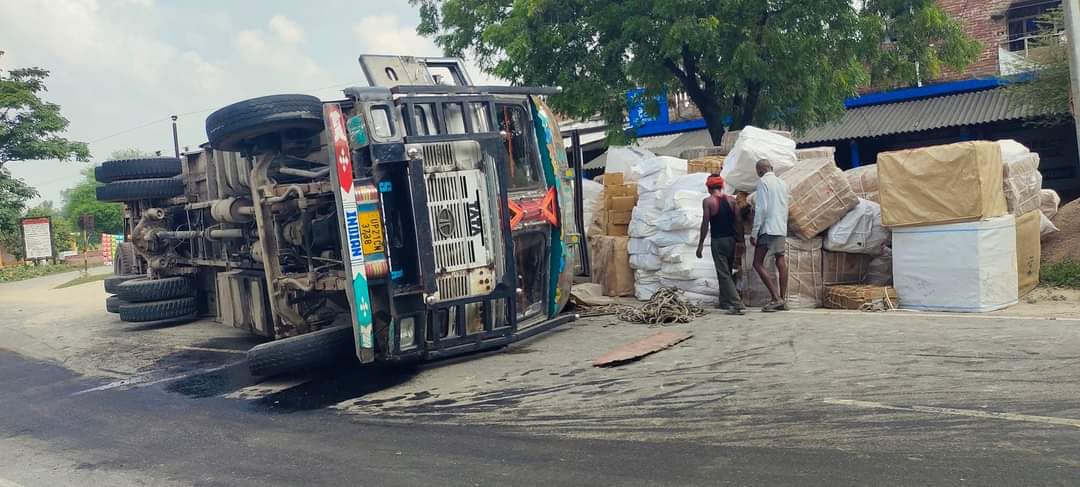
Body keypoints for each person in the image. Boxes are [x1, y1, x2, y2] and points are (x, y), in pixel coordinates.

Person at [696, 174, 745, 315]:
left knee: (723, 273)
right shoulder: (732, 201)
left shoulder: (708, 201)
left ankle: (737, 304)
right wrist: (740, 241)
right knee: (727, 271)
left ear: (708, 187)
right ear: (721, 186)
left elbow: (705, 224)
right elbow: (738, 221)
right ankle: (724, 301)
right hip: (731, 240)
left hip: (718, 241)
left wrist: (700, 245)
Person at [750, 159, 790, 312]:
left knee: (757, 263)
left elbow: (761, 209)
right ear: (771, 168)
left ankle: (775, 298)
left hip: (768, 228)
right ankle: (783, 299)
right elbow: (785, 206)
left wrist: (755, 232)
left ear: (760, 171)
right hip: (781, 227)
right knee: (780, 260)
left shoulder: (763, 183)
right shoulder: (783, 183)